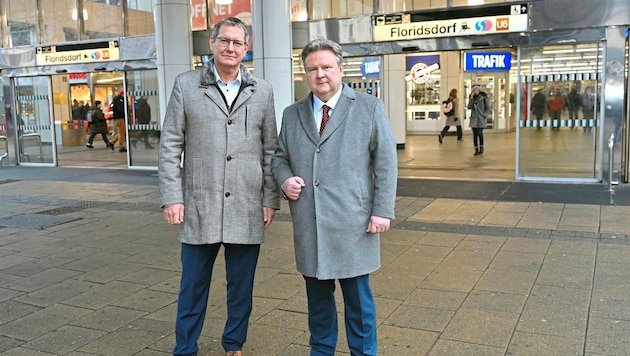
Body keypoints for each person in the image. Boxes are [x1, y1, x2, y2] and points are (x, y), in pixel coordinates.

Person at [158, 17, 280, 356]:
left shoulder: (263, 90)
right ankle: (185, 348)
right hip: (199, 203)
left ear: (246, 48)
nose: (230, 48)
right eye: (225, 41)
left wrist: (270, 197)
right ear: (212, 43)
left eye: (237, 43)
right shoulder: (186, 85)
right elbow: (170, 145)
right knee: (192, 286)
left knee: (241, 287)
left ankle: (233, 345)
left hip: (247, 203)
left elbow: (271, 149)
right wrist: (172, 197)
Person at [272, 39, 398, 356]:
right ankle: (322, 350)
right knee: (318, 302)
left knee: (358, 302)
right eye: (312, 68)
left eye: (327, 67)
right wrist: (285, 179)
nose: (320, 74)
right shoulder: (292, 114)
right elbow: (278, 157)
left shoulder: (368, 108)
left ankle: (363, 352)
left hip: (353, 224)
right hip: (310, 224)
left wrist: (382, 210)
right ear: (304, 74)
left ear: (340, 69)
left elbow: (386, 162)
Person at [468, 84, 491, 156]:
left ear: (479, 90)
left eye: (477, 90)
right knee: (475, 134)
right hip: (474, 119)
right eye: (474, 90)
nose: (475, 91)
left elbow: (488, 108)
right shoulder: (472, 98)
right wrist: (471, 99)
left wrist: (485, 115)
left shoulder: (484, 97)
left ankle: (481, 147)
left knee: (480, 133)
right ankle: (476, 149)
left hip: (481, 118)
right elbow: (469, 107)